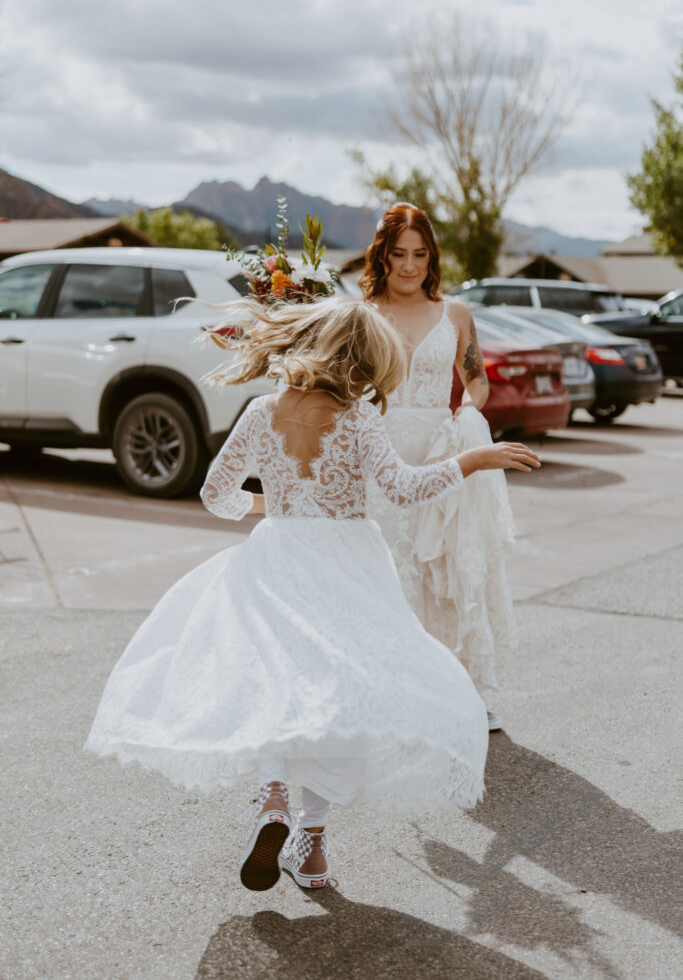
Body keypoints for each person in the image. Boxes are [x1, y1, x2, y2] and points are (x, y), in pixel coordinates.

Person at [85, 297, 540, 893]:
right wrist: (474, 458)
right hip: (348, 562)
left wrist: (273, 505)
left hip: (278, 556)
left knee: (277, 679)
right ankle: (313, 841)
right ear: (369, 361)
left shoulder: (261, 411)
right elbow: (404, 489)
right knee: (334, 696)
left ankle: (272, 801)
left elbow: (214, 495)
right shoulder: (356, 419)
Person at [361, 203, 517, 731]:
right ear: (382, 256)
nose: (409, 266)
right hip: (378, 452)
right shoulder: (361, 315)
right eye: (399, 254)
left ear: (432, 257)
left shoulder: (454, 315)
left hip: (439, 449)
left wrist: (467, 415)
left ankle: (460, 690)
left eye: (419, 255)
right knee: (387, 568)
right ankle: (389, 690)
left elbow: (476, 380)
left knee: (444, 567)